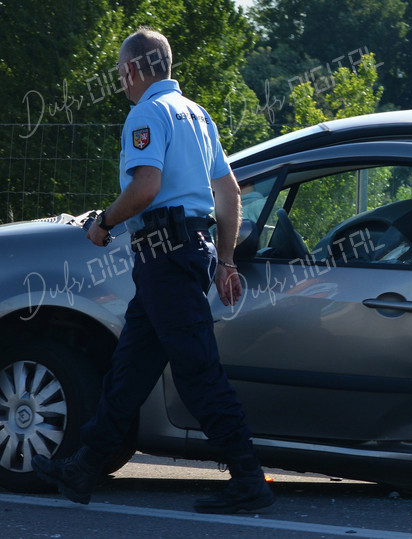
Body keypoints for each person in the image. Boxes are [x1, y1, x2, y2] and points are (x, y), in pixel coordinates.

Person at [32, 27, 275, 514]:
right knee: (131, 368)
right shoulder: (197, 114)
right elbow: (227, 192)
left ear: (133, 69)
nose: (121, 81)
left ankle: (249, 479)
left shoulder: (146, 113)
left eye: (122, 72)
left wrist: (103, 222)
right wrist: (225, 260)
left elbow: (146, 187)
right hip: (184, 254)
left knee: (197, 371)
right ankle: (83, 469)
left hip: (165, 255)